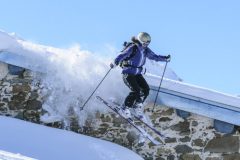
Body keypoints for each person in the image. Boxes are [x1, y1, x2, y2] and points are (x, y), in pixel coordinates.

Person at [110, 32, 171, 120]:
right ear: (139, 39)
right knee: (136, 90)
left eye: (148, 41)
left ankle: (136, 105)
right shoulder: (133, 47)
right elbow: (122, 55)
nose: (146, 43)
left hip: (137, 73)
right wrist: (115, 62)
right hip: (128, 72)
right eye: (144, 40)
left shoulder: (146, 50)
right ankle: (124, 108)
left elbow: (154, 57)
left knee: (146, 89)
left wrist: (165, 58)